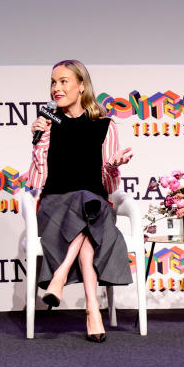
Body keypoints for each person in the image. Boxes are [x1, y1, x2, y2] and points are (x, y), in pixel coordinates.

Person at [27, 60, 134, 342]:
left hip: (93, 208)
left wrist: (113, 165)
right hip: (55, 208)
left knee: (89, 202)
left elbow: (108, 187)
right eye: (53, 82)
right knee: (86, 208)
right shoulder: (49, 124)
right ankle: (92, 309)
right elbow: (37, 181)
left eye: (64, 81)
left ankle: (62, 279)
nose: (56, 88)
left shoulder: (105, 126)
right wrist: (39, 142)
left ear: (81, 86)